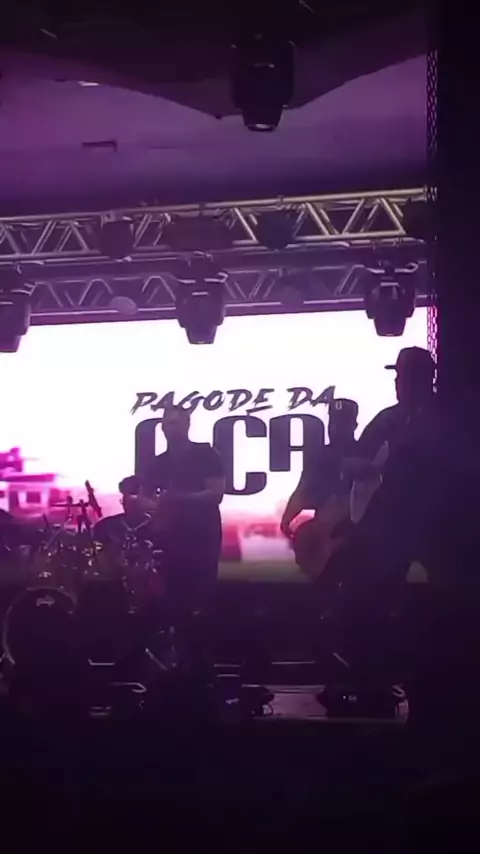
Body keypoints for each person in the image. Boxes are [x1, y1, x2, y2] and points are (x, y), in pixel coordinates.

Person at [137, 405, 225, 612]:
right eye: (167, 423)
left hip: (202, 533)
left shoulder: (207, 455)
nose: (170, 428)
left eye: (175, 423)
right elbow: (143, 496)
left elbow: (216, 494)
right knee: (173, 592)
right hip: (170, 535)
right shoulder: (159, 462)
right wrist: (154, 506)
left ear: (187, 425)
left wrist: (178, 499)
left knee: (202, 593)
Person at [280, 398, 359, 539]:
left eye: (342, 423)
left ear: (354, 425)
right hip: (326, 532)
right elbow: (303, 490)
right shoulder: (319, 455)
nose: (335, 428)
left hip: (357, 531)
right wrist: (287, 519)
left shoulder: (365, 452)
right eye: (333, 422)